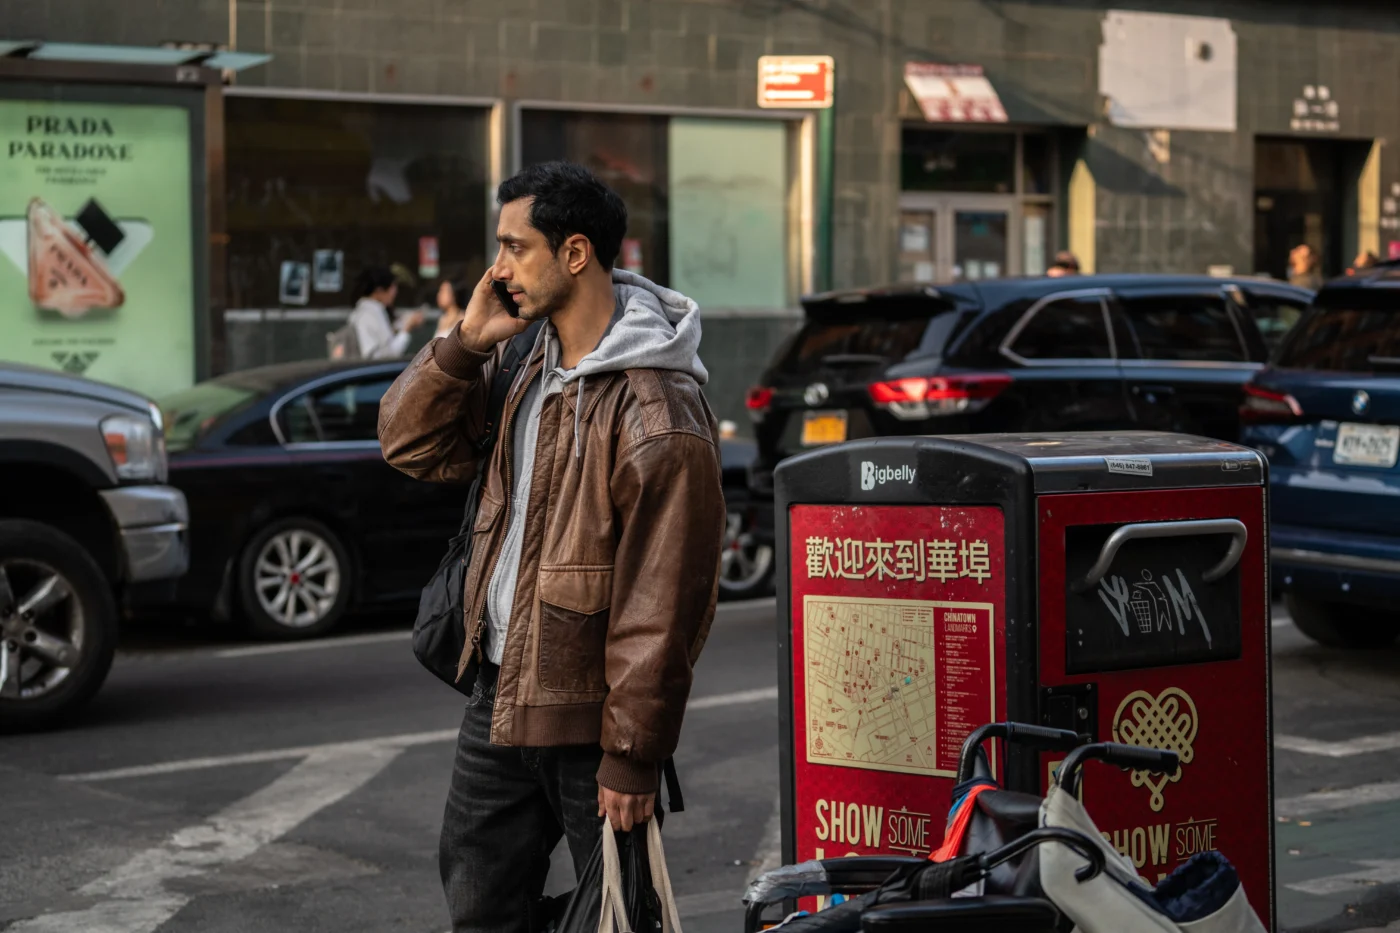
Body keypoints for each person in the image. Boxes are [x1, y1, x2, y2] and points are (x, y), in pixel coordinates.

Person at [378, 161, 724, 933]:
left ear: (575, 254)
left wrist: (632, 754)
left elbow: (664, 602)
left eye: (514, 247)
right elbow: (407, 444)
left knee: (616, 916)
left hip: (591, 719)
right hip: (498, 692)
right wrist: (466, 343)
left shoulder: (657, 411)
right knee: (479, 904)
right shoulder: (518, 359)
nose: (497, 270)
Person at [348, 265, 424, 359]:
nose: (395, 292)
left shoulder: (369, 311)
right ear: (379, 291)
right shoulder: (369, 314)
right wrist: (406, 329)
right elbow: (383, 356)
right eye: (392, 287)